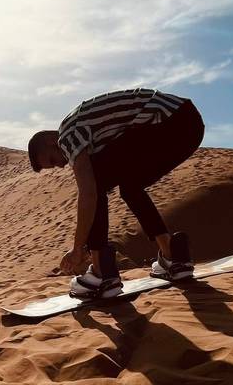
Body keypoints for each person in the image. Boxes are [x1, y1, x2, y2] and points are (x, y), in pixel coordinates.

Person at [27, 88, 205, 299]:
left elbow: (89, 194)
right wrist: (83, 245)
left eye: (53, 161)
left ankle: (102, 273)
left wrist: (77, 249)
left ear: (51, 142)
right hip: (188, 125)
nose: (60, 165)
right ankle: (172, 256)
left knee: (95, 182)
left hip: (167, 120)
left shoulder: (67, 134)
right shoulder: (83, 131)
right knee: (130, 187)